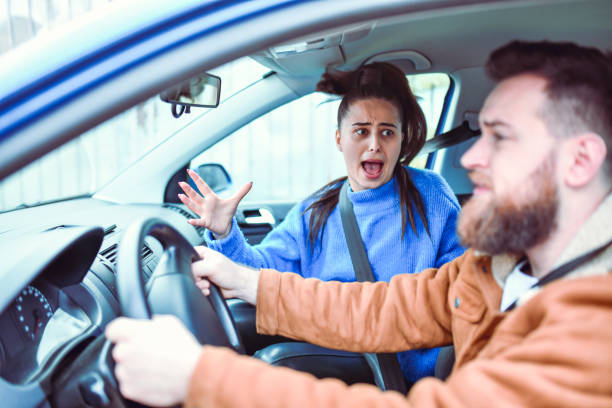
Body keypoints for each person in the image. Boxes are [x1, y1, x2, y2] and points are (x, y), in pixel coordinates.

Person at [106, 39, 612, 407]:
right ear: (340, 139)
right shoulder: (497, 268)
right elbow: (383, 307)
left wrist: (201, 378)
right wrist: (246, 278)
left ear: (579, 160)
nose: (472, 157)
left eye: (500, 137)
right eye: (481, 134)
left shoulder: (594, 333)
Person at [177, 61, 465, 382]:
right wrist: (225, 232)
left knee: (279, 365)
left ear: (401, 139)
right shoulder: (316, 210)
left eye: (387, 132)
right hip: (341, 348)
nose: (374, 144)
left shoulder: (431, 194)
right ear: (339, 139)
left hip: (413, 366)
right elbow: (262, 270)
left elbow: (459, 291)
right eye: (361, 131)